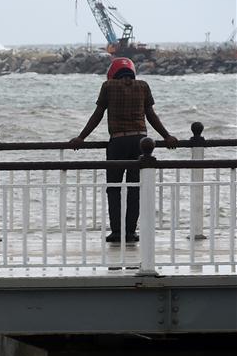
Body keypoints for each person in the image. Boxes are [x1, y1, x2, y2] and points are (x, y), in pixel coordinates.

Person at [69, 57, 178, 244]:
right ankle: (130, 232)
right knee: (135, 188)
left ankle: (116, 232)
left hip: (118, 142)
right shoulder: (143, 86)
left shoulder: (108, 87)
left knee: (114, 188)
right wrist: (167, 136)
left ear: (113, 73)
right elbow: (151, 115)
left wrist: (81, 138)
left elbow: (97, 115)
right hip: (140, 142)